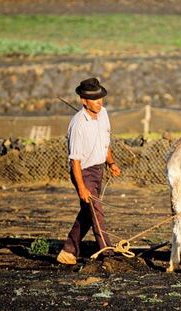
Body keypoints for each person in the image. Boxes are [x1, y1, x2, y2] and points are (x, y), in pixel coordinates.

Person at [57, 77, 121, 265]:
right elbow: (75, 161)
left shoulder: (104, 114)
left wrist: (111, 163)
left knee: (88, 212)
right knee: (97, 212)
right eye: (95, 99)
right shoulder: (78, 125)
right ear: (84, 100)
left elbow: (105, 142)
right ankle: (107, 253)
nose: (100, 102)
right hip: (83, 172)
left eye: (101, 98)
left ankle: (68, 250)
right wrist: (81, 188)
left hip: (98, 169)